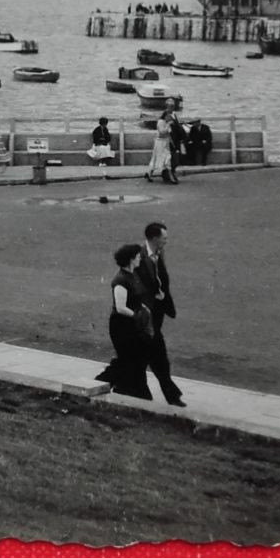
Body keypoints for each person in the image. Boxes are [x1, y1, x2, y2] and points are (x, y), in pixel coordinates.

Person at [93, 243, 153, 400]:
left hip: (134, 325)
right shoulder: (120, 280)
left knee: (135, 358)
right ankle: (122, 387)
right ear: (131, 259)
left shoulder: (133, 276)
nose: (140, 258)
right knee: (131, 358)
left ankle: (125, 388)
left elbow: (136, 298)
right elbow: (120, 307)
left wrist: (144, 309)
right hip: (123, 326)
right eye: (138, 256)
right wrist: (137, 315)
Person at [133, 222, 184, 407]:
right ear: (154, 239)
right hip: (147, 315)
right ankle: (171, 395)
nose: (167, 241)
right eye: (164, 238)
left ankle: (140, 391)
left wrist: (162, 297)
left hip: (158, 312)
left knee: (146, 356)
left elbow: (160, 278)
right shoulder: (139, 256)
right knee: (158, 355)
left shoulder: (157, 253)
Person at [145, 110, 176, 184]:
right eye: (169, 116)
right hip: (160, 143)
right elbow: (162, 132)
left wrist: (173, 143)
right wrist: (168, 124)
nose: (170, 118)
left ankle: (171, 178)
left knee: (167, 158)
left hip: (166, 143)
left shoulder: (167, 122)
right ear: (165, 116)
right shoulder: (160, 122)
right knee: (156, 158)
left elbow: (169, 134)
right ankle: (150, 174)